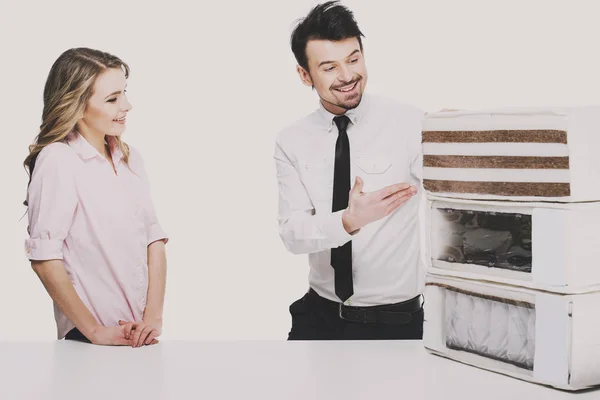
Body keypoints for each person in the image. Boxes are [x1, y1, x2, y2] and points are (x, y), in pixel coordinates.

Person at [274, 1, 425, 340]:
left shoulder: (410, 124)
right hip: (320, 317)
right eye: (329, 67)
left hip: (397, 321)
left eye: (354, 59)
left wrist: (462, 136)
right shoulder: (291, 141)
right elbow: (292, 233)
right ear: (304, 74)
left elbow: (459, 195)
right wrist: (347, 221)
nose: (347, 76)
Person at [23, 48, 168, 347]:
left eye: (124, 93)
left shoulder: (130, 159)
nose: (126, 105)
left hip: (137, 337)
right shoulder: (58, 160)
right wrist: (95, 331)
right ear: (76, 105)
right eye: (112, 99)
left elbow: (154, 241)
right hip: (88, 340)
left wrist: (152, 320)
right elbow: (44, 258)